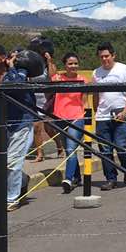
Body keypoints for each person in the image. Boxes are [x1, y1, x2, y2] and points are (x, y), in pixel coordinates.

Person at [0, 44, 36, 209]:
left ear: (3, 57)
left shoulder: (20, 71)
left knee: (11, 163)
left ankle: (12, 199)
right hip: (0, 126)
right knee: (2, 163)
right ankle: (22, 180)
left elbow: (17, 86)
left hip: (21, 124)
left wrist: (12, 67)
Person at [92, 42, 126, 190]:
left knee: (120, 145)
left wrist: (125, 111)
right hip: (102, 116)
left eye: (107, 56)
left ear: (113, 55)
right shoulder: (96, 73)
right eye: (101, 57)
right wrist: (96, 111)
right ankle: (111, 178)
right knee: (105, 150)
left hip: (121, 112)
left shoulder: (124, 69)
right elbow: (95, 95)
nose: (105, 59)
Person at [48, 52, 88, 193]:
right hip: (60, 117)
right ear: (65, 65)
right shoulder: (58, 78)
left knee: (71, 149)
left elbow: (84, 101)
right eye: (70, 63)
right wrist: (49, 59)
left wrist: (86, 118)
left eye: (75, 63)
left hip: (77, 118)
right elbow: (50, 75)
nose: (73, 66)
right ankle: (77, 177)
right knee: (69, 150)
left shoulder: (83, 80)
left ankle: (68, 179)